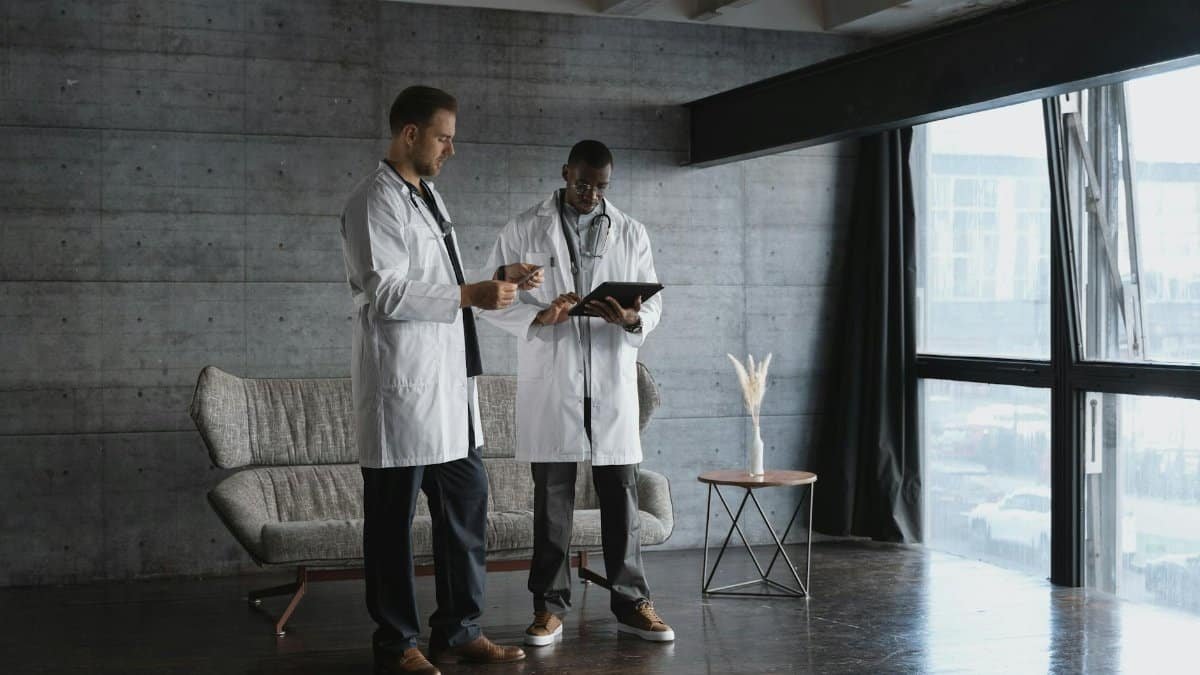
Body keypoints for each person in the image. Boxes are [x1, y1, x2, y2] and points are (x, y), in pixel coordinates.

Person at [340, 86, 542, 675]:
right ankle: (396, 642)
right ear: (410, 134)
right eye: (443, 136)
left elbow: (436, 277)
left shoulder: (427, 194)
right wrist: (468, 294)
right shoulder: (373, 201)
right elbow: (385, 291)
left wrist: (496, 279)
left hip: (449, 393)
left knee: (466, 507)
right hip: (401, 393)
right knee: (391, 526)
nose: (451, 148)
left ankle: (458, 629)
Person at [480, 140, 673, 646]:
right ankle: (548, 608)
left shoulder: (631, 231)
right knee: (552, 500)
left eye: (601, 185)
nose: (591, 193)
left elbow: (652, 303)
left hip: (610, 377)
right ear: (566, 173)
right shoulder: (524, 228)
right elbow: (489, 298)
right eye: (583, 182)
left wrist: (632, 317)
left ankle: (633, 603)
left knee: (622, 495)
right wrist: (539, 314)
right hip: (556, 377)